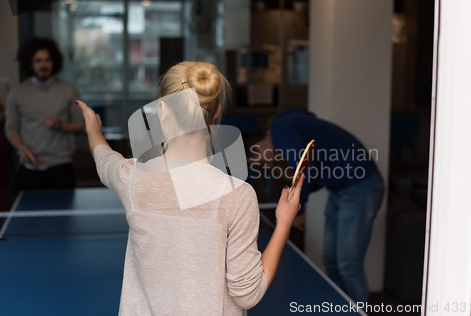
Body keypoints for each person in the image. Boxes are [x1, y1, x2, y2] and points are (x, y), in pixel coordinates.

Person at [76, 61, 303, 315]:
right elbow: (248, 294)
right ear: (216, 111)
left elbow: (104, 159)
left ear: (162, 110)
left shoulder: (131, 177)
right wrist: (284, 222)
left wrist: (92, 127)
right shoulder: (238, 196)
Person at [250, 108, 385, 304]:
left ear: (260, 145)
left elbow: (306, 170)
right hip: (341, 189)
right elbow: (311, 165)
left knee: (348, 266)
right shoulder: (287, 123)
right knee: (331, 263)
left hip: (360, 186)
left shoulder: (279, 129)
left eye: (262, 159)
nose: (268, 165)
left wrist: (298, 209)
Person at [4, 37, 84, 190]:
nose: (43, 65)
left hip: (61, 166)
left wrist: (59, 125)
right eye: (38, 60)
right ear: (30, 63)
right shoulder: (17, 93)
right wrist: (21, 148)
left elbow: (81, 126)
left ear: (54, 62)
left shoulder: (69, 90)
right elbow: (11, 128)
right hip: (29, 168)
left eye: (47, 60)